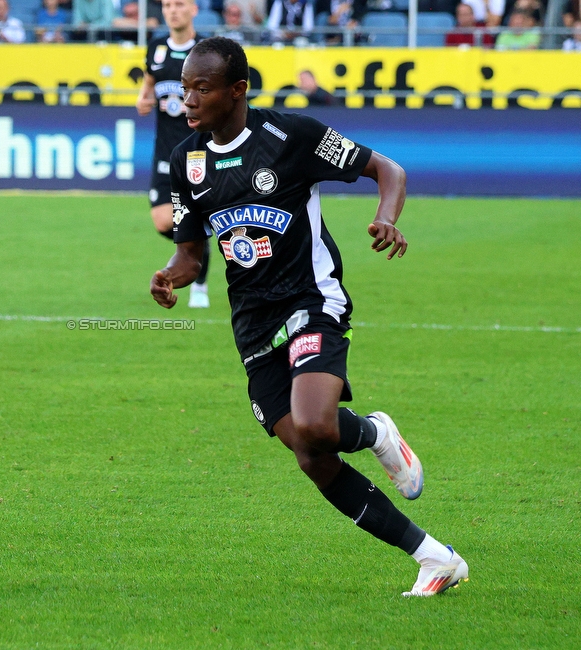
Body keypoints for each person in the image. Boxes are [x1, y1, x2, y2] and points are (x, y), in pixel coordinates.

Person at [150, 37, 469, 596]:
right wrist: (171, 274)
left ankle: (373, 433)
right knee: (309, 453)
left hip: (310, 301)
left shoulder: (291, 137)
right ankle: (434, 558)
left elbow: (386, 169)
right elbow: (191, 249)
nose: (189, 101)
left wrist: (386, 217)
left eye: (202, 89)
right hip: (251, 323)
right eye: (184, 89)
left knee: (317, 425)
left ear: (237, 90)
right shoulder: (188, 161)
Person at [136, 0, 212, 308]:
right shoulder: (156, 48)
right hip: (165, 151)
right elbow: (148, 86)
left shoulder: (205, 50)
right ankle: (200, 243)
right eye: (167, 5)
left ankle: (200, 285)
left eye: (179, 4)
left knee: (189, 219)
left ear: (193, 9)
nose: (172, 10)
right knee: (163, 222)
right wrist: (143, 100)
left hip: (200, 151)